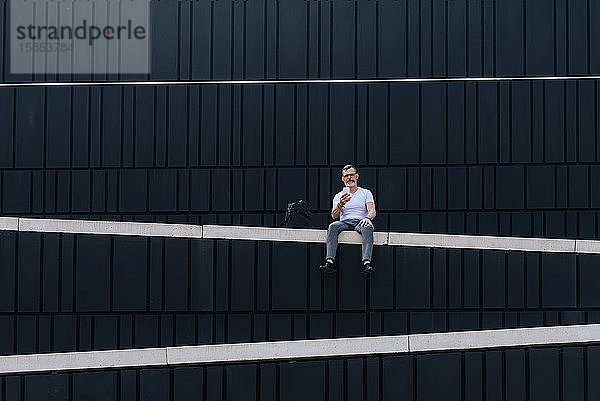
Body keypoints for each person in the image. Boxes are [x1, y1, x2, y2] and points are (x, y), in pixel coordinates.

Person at [319, 164, 376, 274]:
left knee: (368, 227)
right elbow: (334, 216)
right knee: (332, 226)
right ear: (342, 178)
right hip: (344, 222)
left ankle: (367, 262)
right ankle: (329, 261)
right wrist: (340, 204)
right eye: (346, 176)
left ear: (357, 176)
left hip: (360, 221)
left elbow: (372, 210)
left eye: (351, 175)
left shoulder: (365, 193)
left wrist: (368, 218)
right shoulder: (338, 196)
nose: (349, 178)